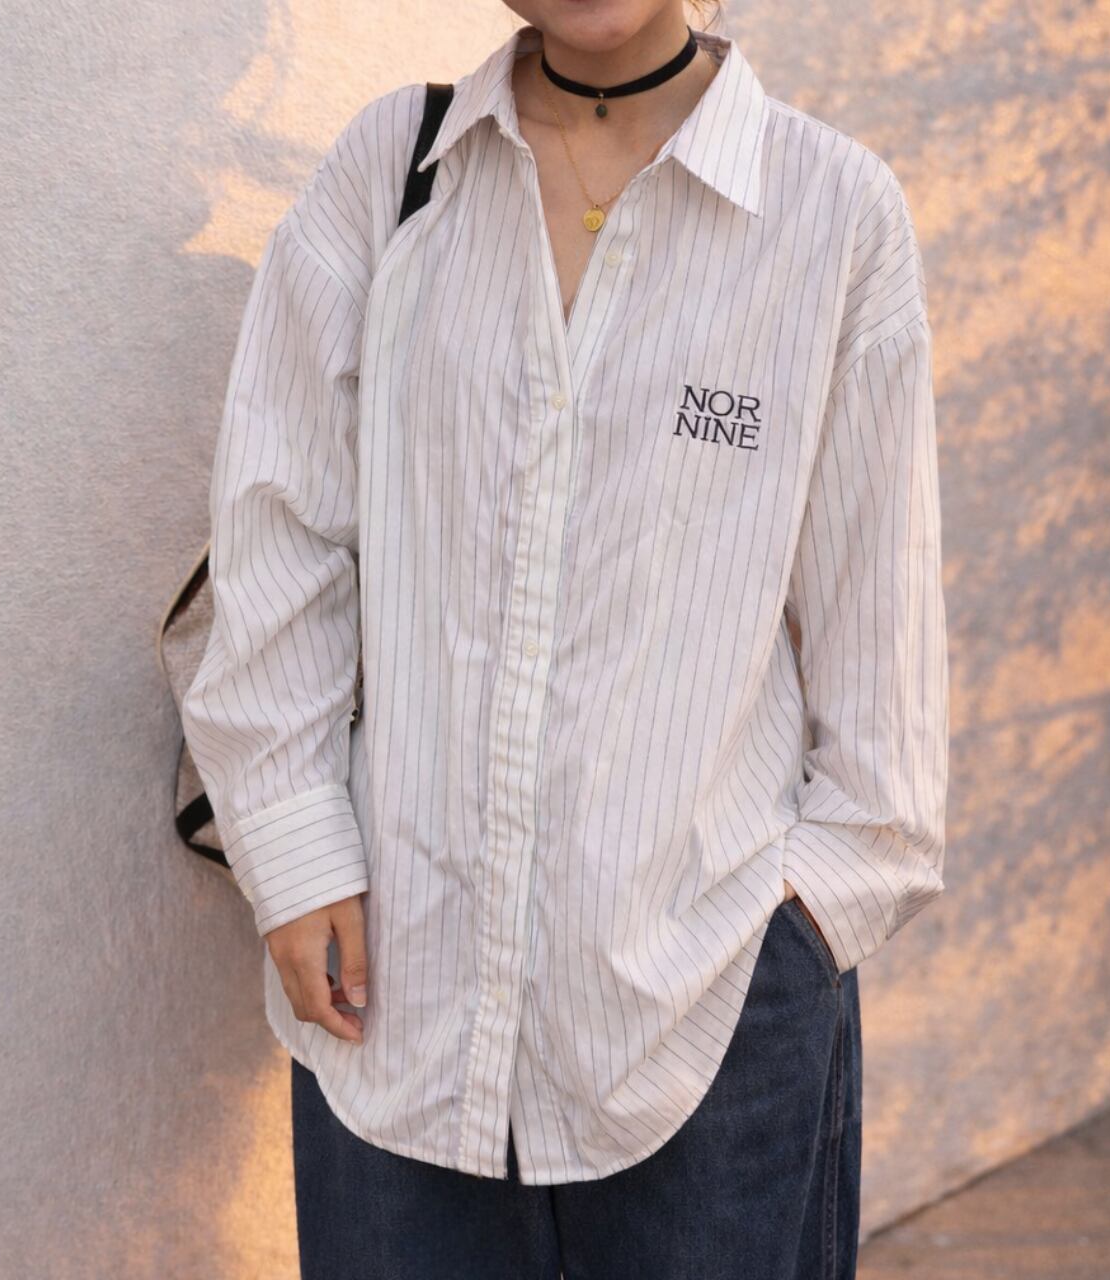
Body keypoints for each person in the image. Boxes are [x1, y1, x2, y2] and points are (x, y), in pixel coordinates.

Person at [181, 0, 950, 1275]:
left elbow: (880, 640)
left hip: (709, 1017)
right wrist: (296, 851)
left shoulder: (829, 213)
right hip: (394, 1019)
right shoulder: (393, 174)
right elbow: (280, 534)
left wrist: (797, 931)